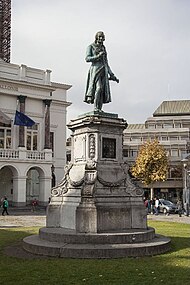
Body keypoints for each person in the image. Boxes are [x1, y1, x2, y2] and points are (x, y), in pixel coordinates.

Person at [84, 31, 119, 112]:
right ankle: (96, 108)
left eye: (102, 37)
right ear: (96, 37)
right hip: (95, 70)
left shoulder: (103, 48)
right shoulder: (91, 47)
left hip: (103, 70)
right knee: (98, 88)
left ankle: (99, 108)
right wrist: (98, 56)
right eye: (99, 37)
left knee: (102, 90)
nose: (101, 38)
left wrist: (112, 75)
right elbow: (87, 58)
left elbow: (106, 63)